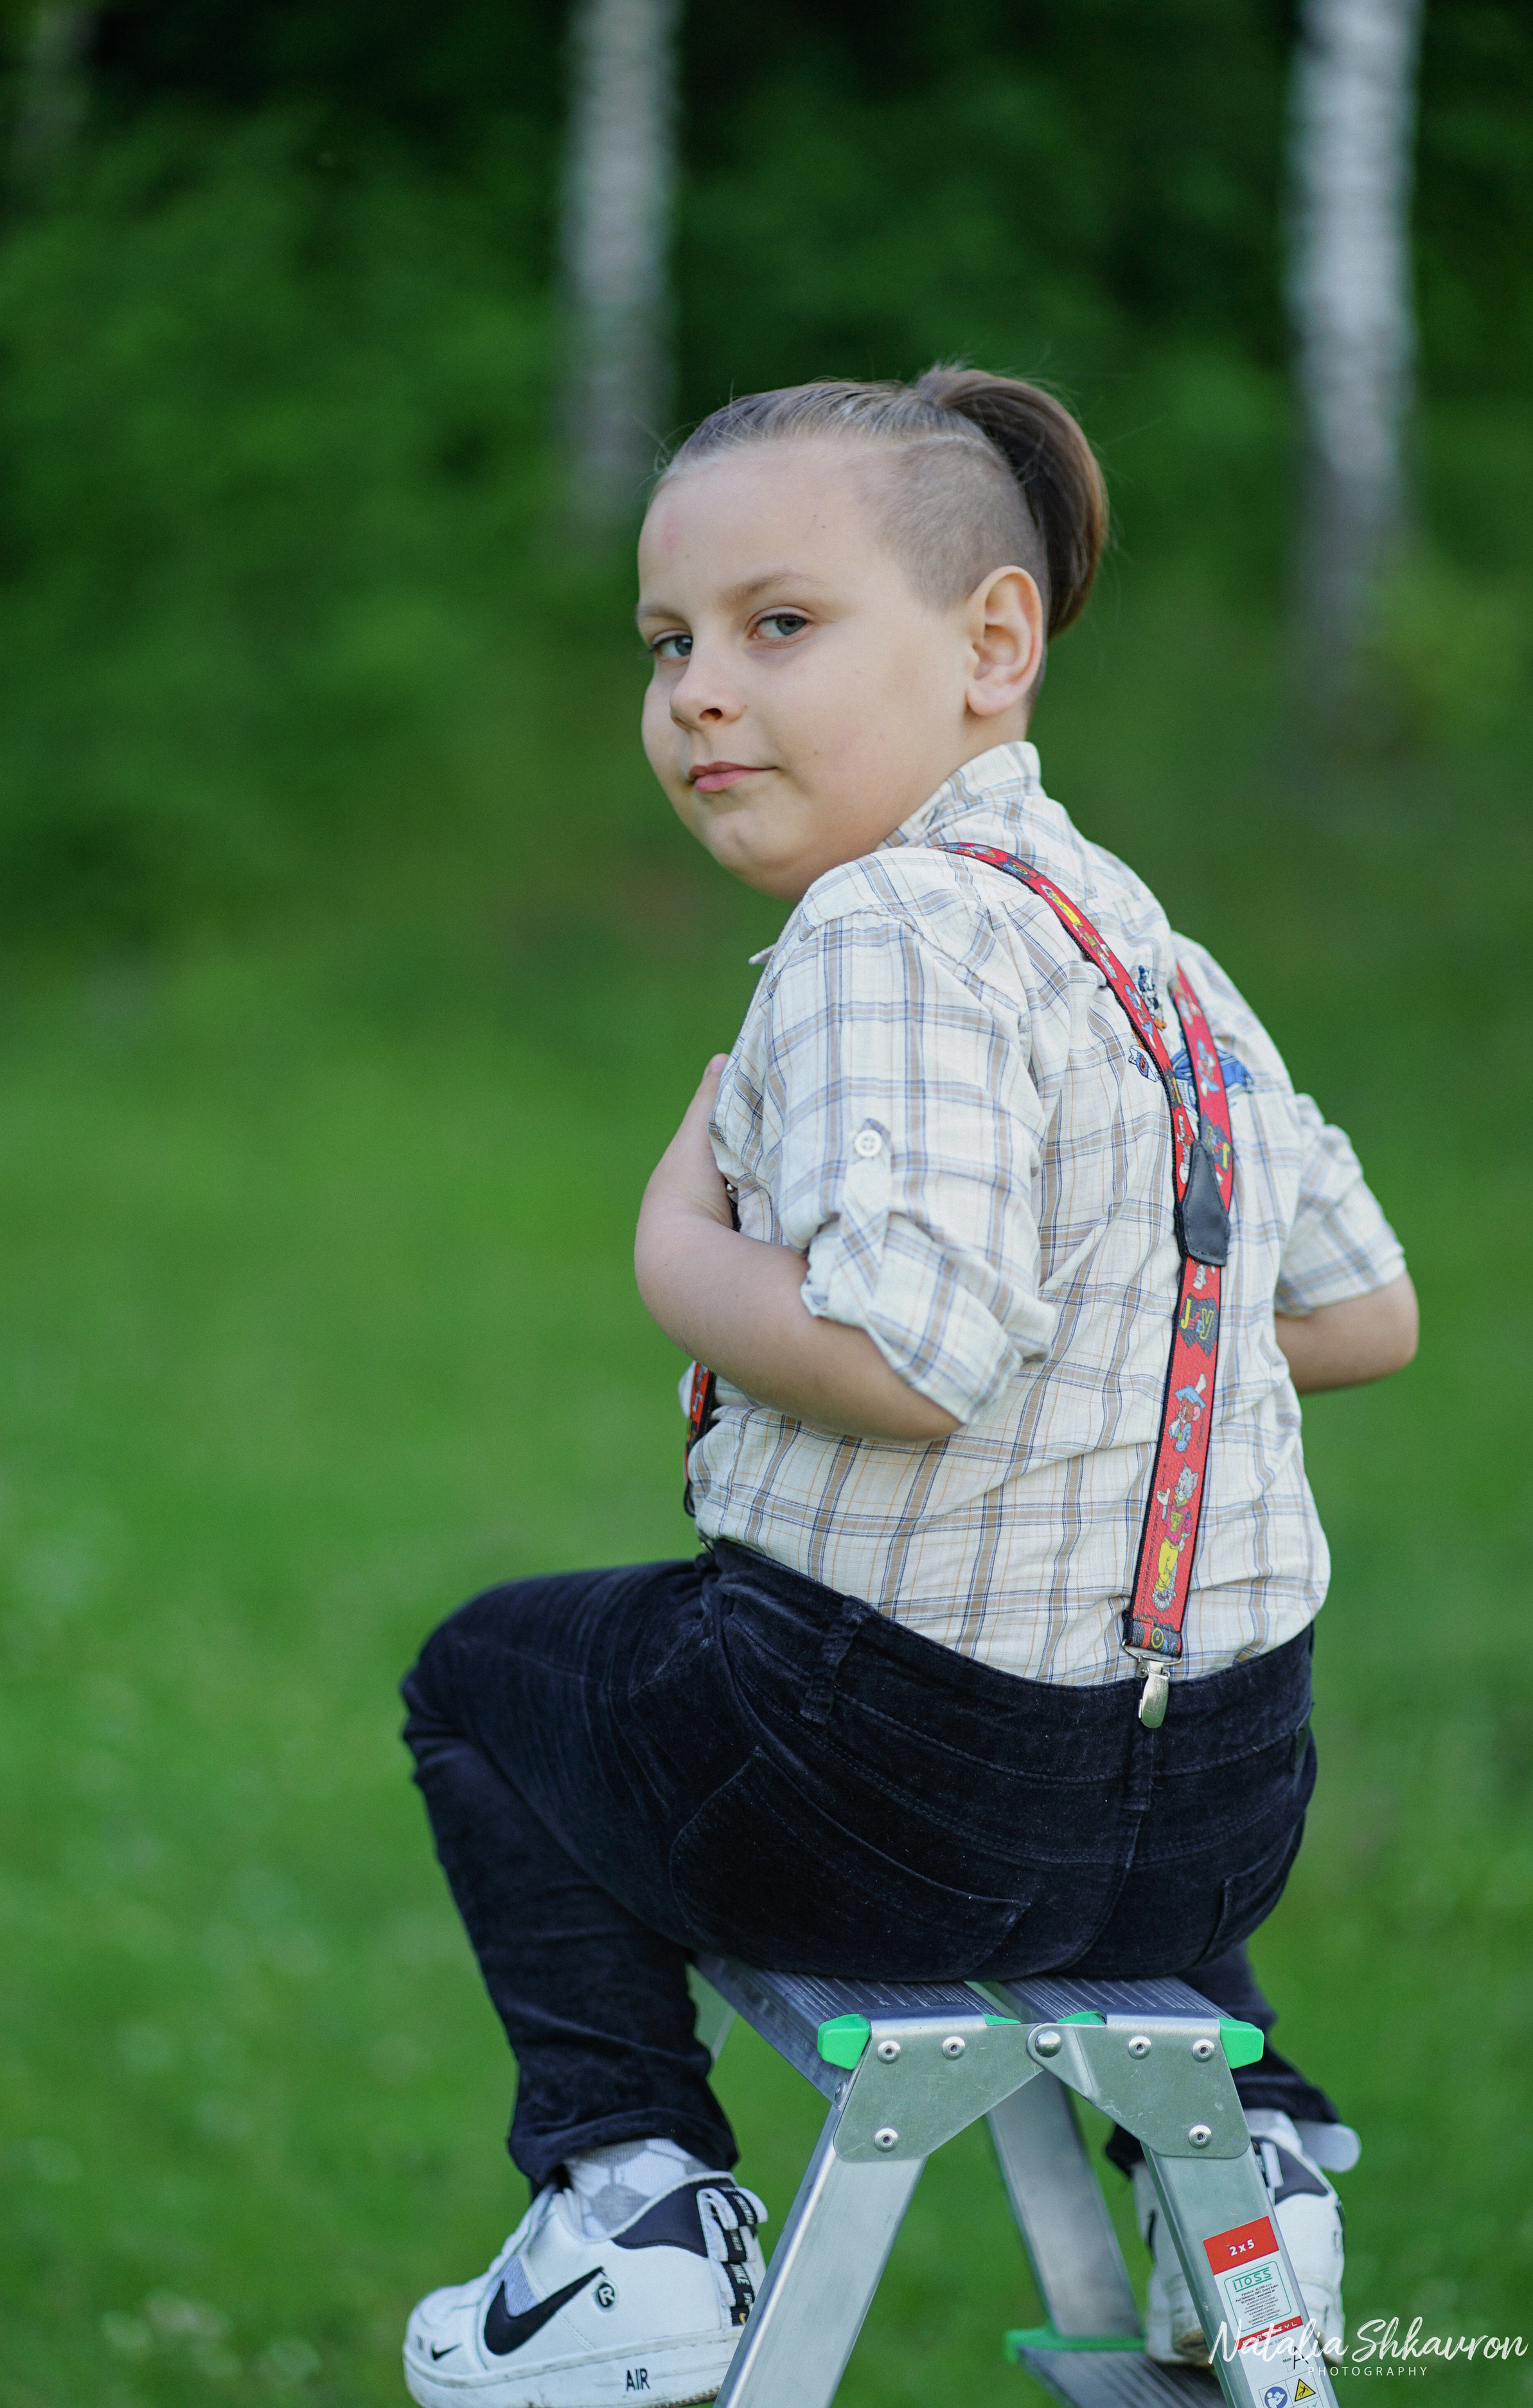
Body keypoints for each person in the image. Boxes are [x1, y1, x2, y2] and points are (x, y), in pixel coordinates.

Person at [398, 369, 1418, 2408]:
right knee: (1079, 1670)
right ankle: (1264, 2167)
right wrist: (1124, 1332)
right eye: (668, 644)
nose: (699, 691)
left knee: (492, 1681)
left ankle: (633, 2210)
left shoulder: (887, 929)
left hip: (882, 1793)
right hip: (1220, 1818)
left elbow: (900, 1364)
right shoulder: (1152, 948)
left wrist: (677, 1262)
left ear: (991, 647)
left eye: (778, 627)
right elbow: (1366, 1309)